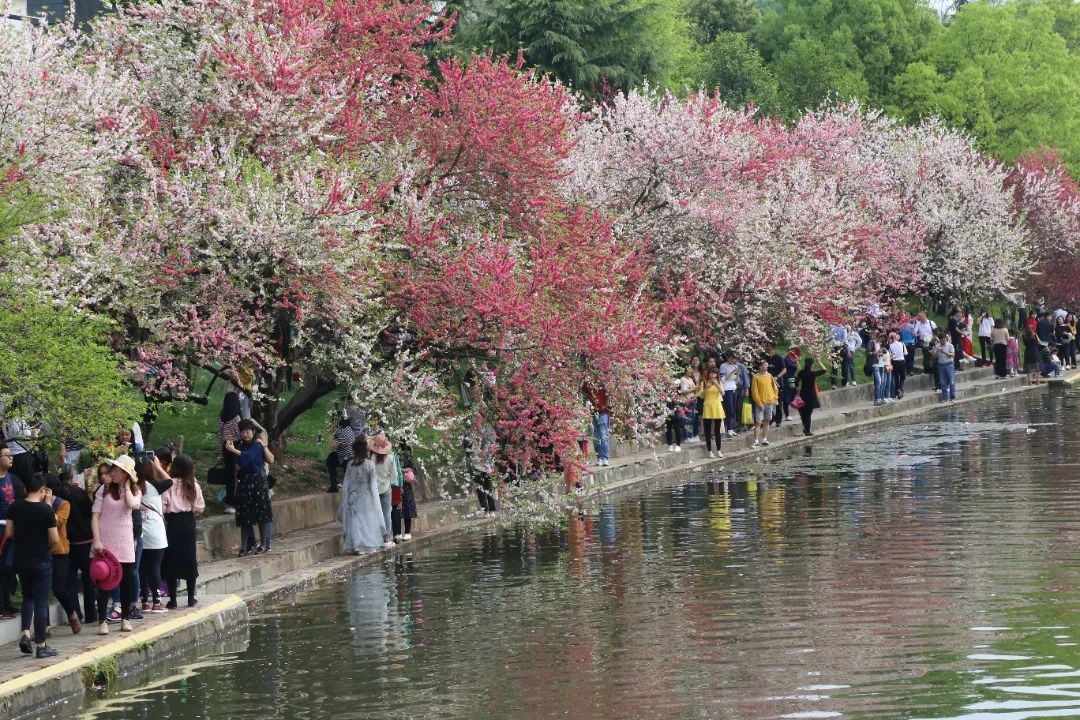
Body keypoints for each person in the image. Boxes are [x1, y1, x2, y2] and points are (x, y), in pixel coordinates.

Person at [4, 472, 60, 658]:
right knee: (41, 601)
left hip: (21, 559)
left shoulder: (15, 506)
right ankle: (41, 645)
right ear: (43, 490)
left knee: (28, 597)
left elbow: (9, 532)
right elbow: (54, 538)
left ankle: (25, 634)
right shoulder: (46, 511)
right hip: (41, 559)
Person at [91, 456, 141, 634]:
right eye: (113, 469)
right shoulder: (103, 490)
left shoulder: (134, 490)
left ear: (126, 474)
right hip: (105, 541)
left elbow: (132, 505)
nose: (113, 472)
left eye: (117, 470)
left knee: (126, 581)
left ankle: (125, 617)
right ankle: (102, 620)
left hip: (125, 541)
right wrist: (97, 540)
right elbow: (95, 515)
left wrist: (126, 487)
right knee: (104, 580)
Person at [225, 419, 275, 556]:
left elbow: (251, 457)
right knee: (244, 516)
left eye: (247, 432)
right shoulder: (241, 446)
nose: (245, 435)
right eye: (243, 432)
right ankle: (245, 545)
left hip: (258, 482)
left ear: (253, 432)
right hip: (245, 483)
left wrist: (234, 451)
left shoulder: (257, 445)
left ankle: (263, 544)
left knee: (262, 514)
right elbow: (239, 463)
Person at [161, 454, 204, 608]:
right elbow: (200, 507)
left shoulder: (168, 485)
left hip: (172, 523)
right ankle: (191, 598)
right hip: (188, 523)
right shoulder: (193, 485)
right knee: (189, 559)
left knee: (171, 559)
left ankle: (173, 600)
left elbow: (163, 506)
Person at [43, 474, 81, 635]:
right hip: (42, 551)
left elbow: (57, 522)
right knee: (42, 589)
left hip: (60, 552)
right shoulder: (35, 503)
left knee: (58, 588)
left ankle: (72, 613)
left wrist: (48, 505)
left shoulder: (63, 504)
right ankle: (44, 626)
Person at [136, 457, 171, 613]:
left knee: (142, 568)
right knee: (155, 567)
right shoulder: (155, 486)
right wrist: (158, 467)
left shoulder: (132, 487)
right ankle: (157, 602)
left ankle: (144, 601)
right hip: (155, 531)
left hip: (139, 533)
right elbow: (170, 481)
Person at [339, 435, 385, 554]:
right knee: (367, 519)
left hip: (353, 496)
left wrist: (346, 498)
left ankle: (357, 546)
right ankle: (368, 544)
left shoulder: (350, 464)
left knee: (356, 520)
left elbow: (346, 483)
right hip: (366, 495)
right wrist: (376, 500)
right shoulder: (369, 464)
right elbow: (373, 485)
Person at [63, 465, 95, 625]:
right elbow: (90, 514)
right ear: (72, 477)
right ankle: (91, 614)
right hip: (85, 541)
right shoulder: (80, 494)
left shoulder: (60, 495)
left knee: (70, 579)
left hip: (69, 542)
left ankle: (75, 612)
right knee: (89, 579)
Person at [0, 447, 26, 618]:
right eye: (6, 455)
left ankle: (7, 602)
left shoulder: (11, 478)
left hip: (11, 527)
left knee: (9, 567)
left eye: (11, 455)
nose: (11, 457)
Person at [218, 392, 242, 514]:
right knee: (236, 476)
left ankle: (229, 503)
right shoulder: (236, 417)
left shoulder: (222, 416)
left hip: (225, 447)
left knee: (229, 476)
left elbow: (220, 435)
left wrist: (220, 454)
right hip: (235, 447)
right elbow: (240, 434)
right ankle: (235, 502)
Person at [795, 358, 828, 436]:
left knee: (803, 413)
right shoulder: (813, 373)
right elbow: (824, 370)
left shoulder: (801, 372)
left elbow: (796, 382)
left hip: (803, 394)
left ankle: (806, 429)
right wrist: (819, 360)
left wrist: (798, 391)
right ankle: (807, 430)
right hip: (811, 395)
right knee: (808, 413)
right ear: (812, 364)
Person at [325, 415, 356, 494]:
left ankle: (334, 485)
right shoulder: (350, 430)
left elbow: (332, 446)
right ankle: (337, 484)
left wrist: (329, 434)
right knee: (331, 456)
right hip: (351, 456)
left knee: (329, 460)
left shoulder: (341, 432)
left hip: (345, 458)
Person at [697, 369, 725, 459]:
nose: (713, 375)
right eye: (711, 373)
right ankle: (709, 451)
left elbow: (723, 393)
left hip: (717, 406)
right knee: (708, 430)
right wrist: (706, 388)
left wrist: (716, 384)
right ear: (708, 374)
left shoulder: (719, 382)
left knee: (717, 430)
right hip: (708, 406)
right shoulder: (704, 383)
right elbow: (701, 395)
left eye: (715, 374)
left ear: (717, 375)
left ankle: (719, 450)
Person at [582, 381, 610, 467]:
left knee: (603, 435)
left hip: (603, 412)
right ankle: (599, 458)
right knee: (596, 437)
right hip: (593, 412)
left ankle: (604, 457)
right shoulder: (587, 383)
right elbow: (583, 393)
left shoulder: (605, 382)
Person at [750, 361, 778, 447]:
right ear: (760, 367)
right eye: (764, 365)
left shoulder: (769, 376)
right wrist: (758, 402)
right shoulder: (756, 377)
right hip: (760, 403)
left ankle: (765, 439)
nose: (766, 367)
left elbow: (775, 388)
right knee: (758, 422)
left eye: (767, 365)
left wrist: (774, 398)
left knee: (767, 420)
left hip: (769, 402)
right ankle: (756, 440)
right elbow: (754, 391)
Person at [763, 344, 787, 428]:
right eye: (766, 349)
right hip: (767, 383)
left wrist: (777, 377)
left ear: (773, 349)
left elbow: (784, 369)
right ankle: (770, 419)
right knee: (767, 402)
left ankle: (778, 420)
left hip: (778, 383)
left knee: (778, 403)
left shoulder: (779, 358)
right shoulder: (765, 358)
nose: (767, 350)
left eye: (769, 349)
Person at [718, 354, 740, 437]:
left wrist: (737, 374)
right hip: (727, 389)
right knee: (729, 409)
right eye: (731, 358)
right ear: (728, 357)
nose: (733, 360)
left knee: (734, 409)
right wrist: (732, 372)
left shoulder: (735, 365)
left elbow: (737, 381)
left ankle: (731, 428)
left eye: (734, 358)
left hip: (734, 389)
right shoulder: (723, 366)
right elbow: (722, 379)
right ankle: (729, 429)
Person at [934, 332, 957, 401]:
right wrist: (937, 352)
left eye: (943, 340)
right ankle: (944, 398)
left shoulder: (950, 345)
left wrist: (945, 352)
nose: (942, 342)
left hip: (949, 365)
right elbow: (934, 356)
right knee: (942, 382)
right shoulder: (937, 345)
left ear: (946, 339)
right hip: (941, 365)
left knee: (951, 381)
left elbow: (953, 355)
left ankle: (952, 397)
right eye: (941, 341)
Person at [888, 332, 908, 399]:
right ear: (896, 337)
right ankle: (899, 389)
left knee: (896, 378)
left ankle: (897, 392)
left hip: (894, 362)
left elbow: (890, 356)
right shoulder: (902, 344)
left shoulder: (890, 346)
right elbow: (906, 353)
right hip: (901, 361)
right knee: (903, 377)